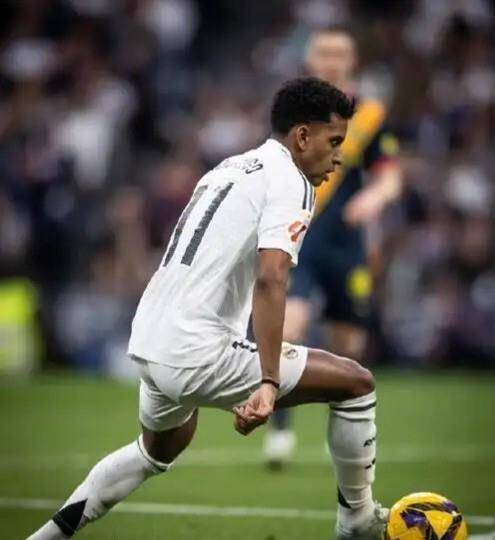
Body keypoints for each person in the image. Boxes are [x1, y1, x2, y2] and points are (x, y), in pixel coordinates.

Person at [28, 77, 387, 540]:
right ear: (302, 136)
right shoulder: (293, 181)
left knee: (157, 449)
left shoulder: (229, 168)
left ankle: (45, 536)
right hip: (195, 348)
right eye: (334, 142)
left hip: (151, 338)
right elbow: (271, 277)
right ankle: (358, 521)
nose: (339, 157)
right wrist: (268, 382)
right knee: (356, 383)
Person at [264, 26, 402, 467]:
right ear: (310, 58)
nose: (332, 60)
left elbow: (390, 176)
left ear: (352, 60)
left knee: (348, 346)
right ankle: (280, 432)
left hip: (346, 243)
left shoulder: (369, 116)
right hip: (299, 237)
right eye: (324, 52)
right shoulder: (291, 112)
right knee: (289, 327)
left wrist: (373, 198)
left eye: (340, 53)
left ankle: (341, 433)